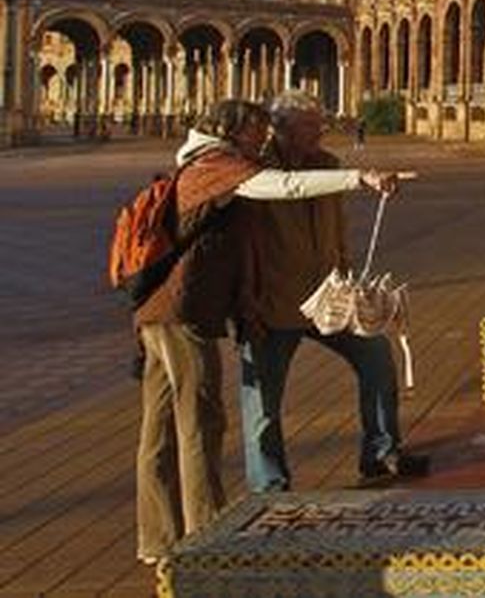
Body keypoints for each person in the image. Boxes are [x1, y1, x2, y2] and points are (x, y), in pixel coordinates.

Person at [135, 98, 400, 564]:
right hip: (192, 312)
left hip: (264, 303)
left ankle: (157, 541)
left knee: (159, 429)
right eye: (256, 135)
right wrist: (360, 177)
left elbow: (321, 217)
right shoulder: (218, 165)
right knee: (201, 421)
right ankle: (209, 535)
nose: (259, 144)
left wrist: (345, 270)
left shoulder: (223, 161)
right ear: (234, 132)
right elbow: (285, 187)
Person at [237, 89, 428, 491]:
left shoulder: (326, 162)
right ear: (282, 129)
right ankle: (269, 483)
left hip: (329, 297)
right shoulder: (254, 168)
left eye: (321, 123)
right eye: (311, 126)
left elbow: (336, 228)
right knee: (263, 401)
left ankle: (381, 451)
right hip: (274, 302)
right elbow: (288, 187)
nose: (321, 132)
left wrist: (346, 272)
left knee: (376, 358)